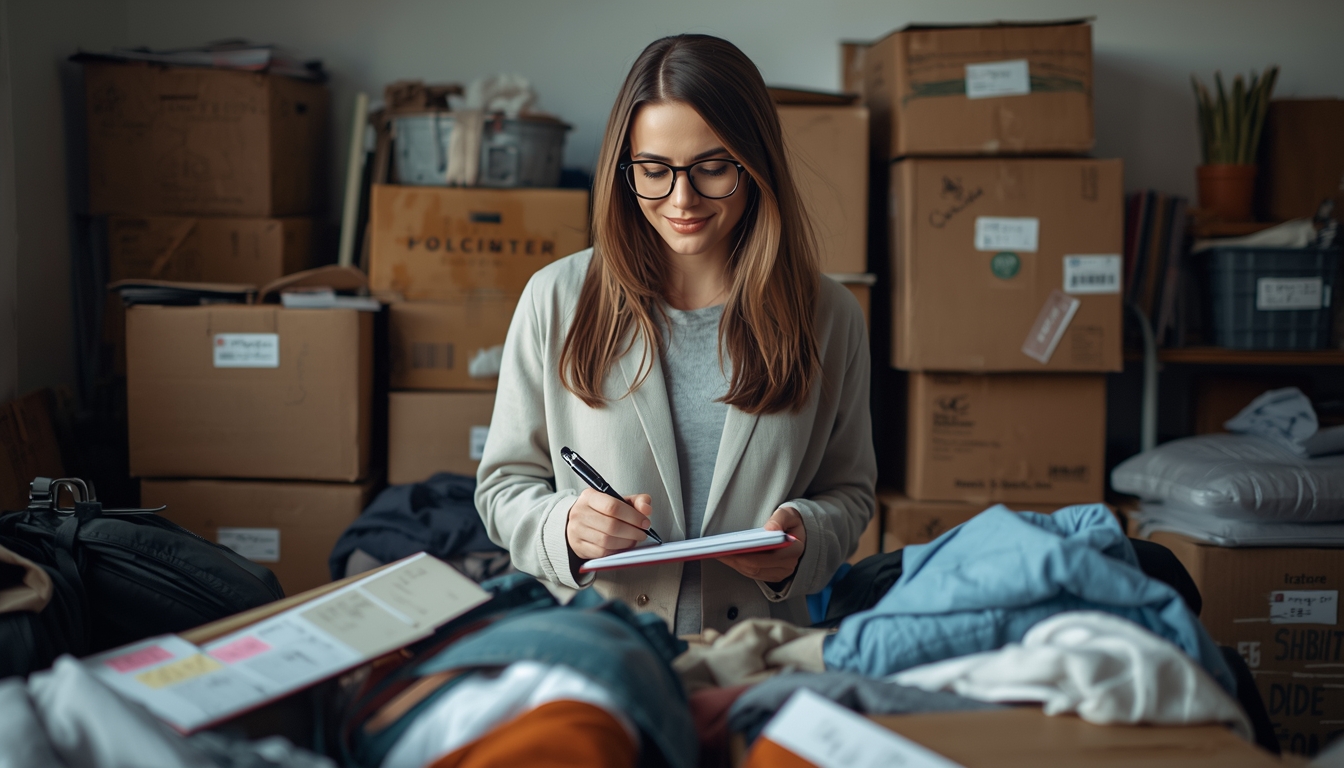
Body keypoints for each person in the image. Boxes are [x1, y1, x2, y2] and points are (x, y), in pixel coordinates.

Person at [475, 34, 876, 634]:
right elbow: (504, 485)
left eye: (713, 168)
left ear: (756, 164)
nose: (681, 199)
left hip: (758, 657)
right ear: (623, 168)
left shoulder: (830, 315)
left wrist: (806, 536)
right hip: (604, 653)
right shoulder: (555, 299)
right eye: (654, 171)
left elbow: (851, 492)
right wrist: (564, 527)